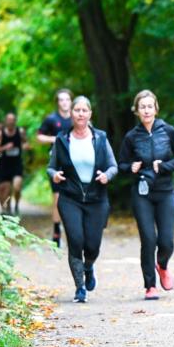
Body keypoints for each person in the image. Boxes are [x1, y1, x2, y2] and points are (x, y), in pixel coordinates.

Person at [47, 96, 118, 303]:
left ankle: (89, 266)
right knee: (76, 240)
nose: (80, 114)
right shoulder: (62, 139)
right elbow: (51, 166)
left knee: (93, 246)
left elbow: (113, 166)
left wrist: (107, 175)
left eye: (84, 110)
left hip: (97, 198)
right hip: (70, 198)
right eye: (76, 110)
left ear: (89, 114)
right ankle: (79, 288)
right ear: (71, 114)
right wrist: (54, 175)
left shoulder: (101, 138)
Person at [118, 90, 174, 300]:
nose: (146, 110)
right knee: (148, 240)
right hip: (142, 193)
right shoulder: (131, 137)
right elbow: (120, 164)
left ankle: (162, 265)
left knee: (166, 242)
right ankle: (150, 285)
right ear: (137, 111)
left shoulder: (168, 131)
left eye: (150, 106)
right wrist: (131, 167)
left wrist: (164, 166)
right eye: (142, 107)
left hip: (165, 192)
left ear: (156, 108)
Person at [37, 88, 74, 246]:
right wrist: (56, 139)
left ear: (71, 101)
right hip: (57, 162)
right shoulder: (51, 119)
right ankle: (57, 231)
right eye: (61, 100)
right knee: (58, 198)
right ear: (57, 102)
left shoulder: (77, 118)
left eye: (67, 99)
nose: (64, 102)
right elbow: (39, 137)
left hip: (75, 163)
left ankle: (73, 230)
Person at [0, 112, 26, 215]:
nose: (11, 122)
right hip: (5, 165)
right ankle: (8, 208)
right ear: (6, 121)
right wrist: (5, 147)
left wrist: (25, 145)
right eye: (9, 120)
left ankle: (16, 205)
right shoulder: (0, 134)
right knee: (6, 188)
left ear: (15, 121)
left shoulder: (20, 131)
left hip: (17, 164)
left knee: (17, 187)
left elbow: (26, 143)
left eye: (13, 120)